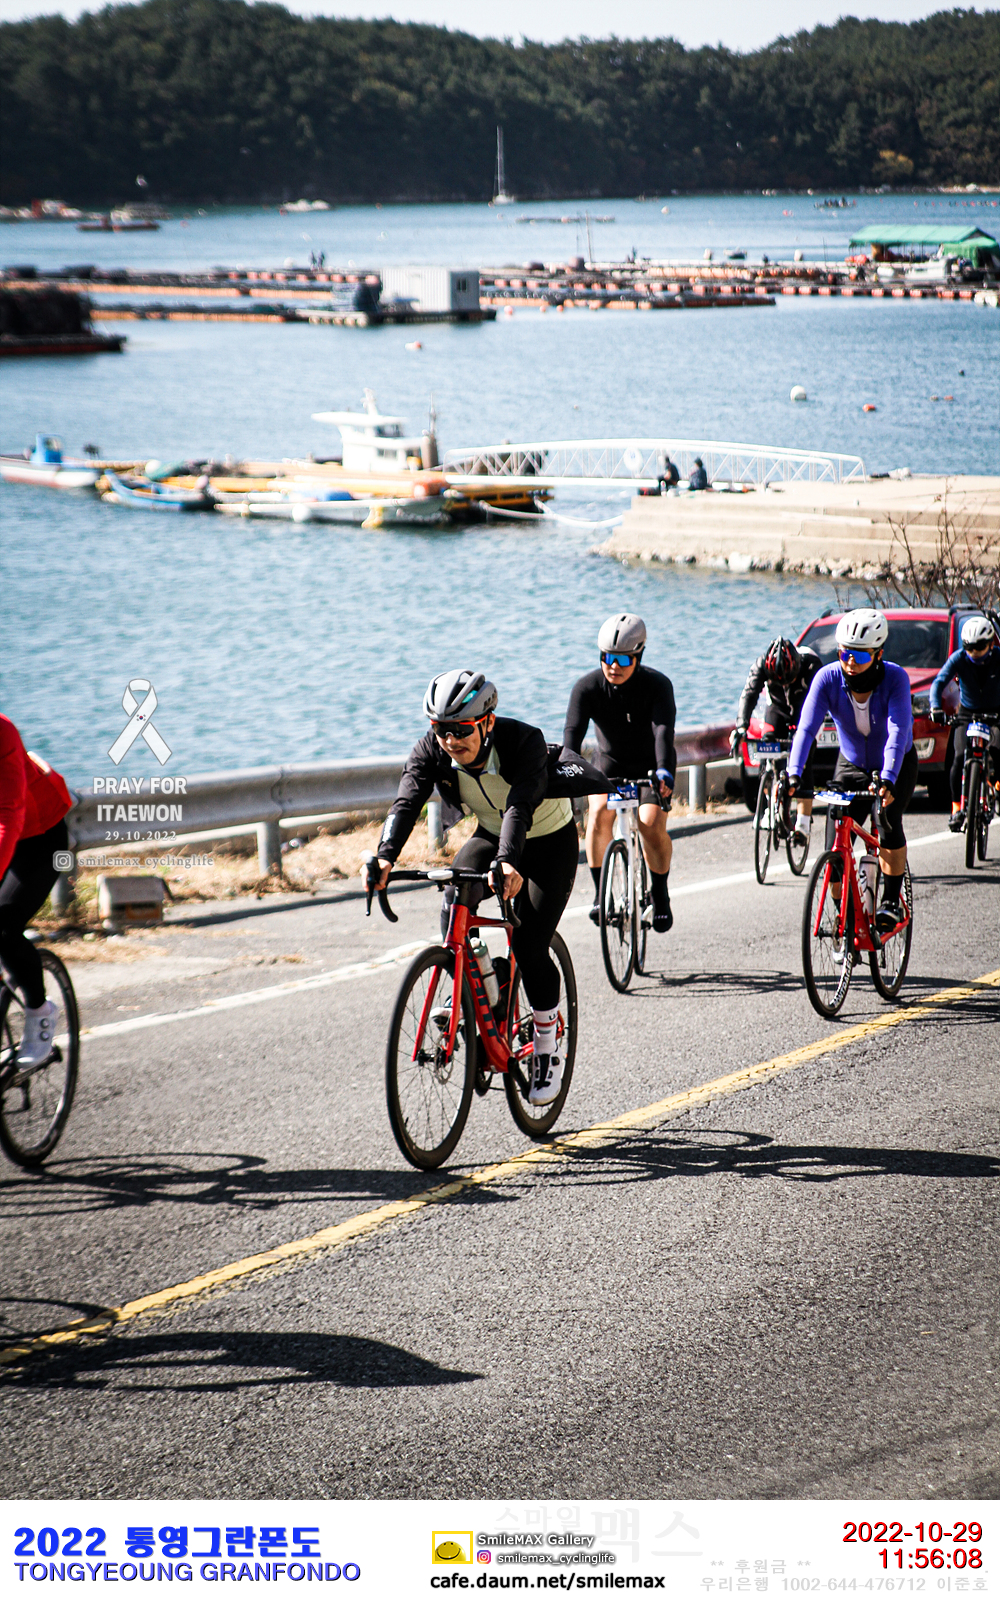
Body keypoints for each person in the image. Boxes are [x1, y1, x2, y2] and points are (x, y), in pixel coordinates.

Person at [372, 671, 584, 1107]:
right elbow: (406, 801)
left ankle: (547, 1044)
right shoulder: (432, 749)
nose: (450, 740)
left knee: (529, 943)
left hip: (547, 840)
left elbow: (520, 807)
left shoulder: (523, 742)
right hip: (492, 834)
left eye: (461, 729)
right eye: (441, 729)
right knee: (456, 897)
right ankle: (482, 988)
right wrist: (384, 856)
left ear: (486, 722)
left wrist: (508, 861)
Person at [788, 609, 916, 935]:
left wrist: (888, 778)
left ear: (878, 654)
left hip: (895, 763)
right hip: (852, 764)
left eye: (859, 656)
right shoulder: (827, 678)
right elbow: (806, 729)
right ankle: (845, 921)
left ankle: (890, 900)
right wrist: (793, 773)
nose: (850, 662)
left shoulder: (895, 678)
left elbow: (898, 730)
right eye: (844, 653)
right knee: (835, 848)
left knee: (887, 820)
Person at [563, 613, 676, 932]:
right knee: (599, 816)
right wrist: (568, 771)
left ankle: (660, 893)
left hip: (652, 766)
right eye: (607, 657)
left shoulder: (657, 685)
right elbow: (572, 735)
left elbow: (663, 732)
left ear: (638, 656)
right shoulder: (586, 687)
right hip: (609, 765)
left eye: (623, 659)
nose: (613, 666)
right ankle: (601, 895)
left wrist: (664, 771)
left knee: (650, 824)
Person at [0, 715, 74, 1066]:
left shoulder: (2, 732)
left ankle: (39, 1013)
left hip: (40, 838)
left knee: (3, 924)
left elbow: (9, 815)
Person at [731, 636, 822, 841]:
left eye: (789, 680)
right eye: (779, 681)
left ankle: (803, 823)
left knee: (804, 757)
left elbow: (822, 701)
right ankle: (770, 805)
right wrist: (741, 726)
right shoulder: (761, 664)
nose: (785, 684)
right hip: (778, 708)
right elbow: (749, 694)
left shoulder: (811, 664)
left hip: (804, 710)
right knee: (766, 744)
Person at [929, 613, 1000, 830]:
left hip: (996, 712)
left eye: (979, 648)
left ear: (990, 644)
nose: (974, 653)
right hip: (967, 712)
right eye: (969, 648)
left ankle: (996, 785)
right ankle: (956, 808)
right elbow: (939, 682)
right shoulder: (959, 658)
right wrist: (935, 707)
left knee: (997, 752)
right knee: (959, 757)